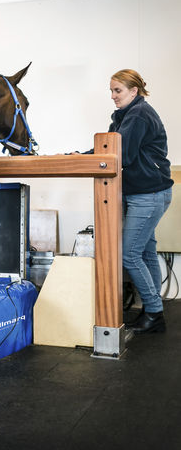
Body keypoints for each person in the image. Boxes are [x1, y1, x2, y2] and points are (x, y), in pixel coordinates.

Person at [84, 69, 173, 334]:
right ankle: (152, 307)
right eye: (111, 91)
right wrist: (80, 155)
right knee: (145, 252)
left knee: (129, 254)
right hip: (143, 193)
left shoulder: (139, 114)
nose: (112, 96)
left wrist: (88, 159)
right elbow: (108, 148)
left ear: (134, 91)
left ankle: (155, 313)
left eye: (117, 90)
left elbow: (123, 153)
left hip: (149, 195)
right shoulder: (126, 115)